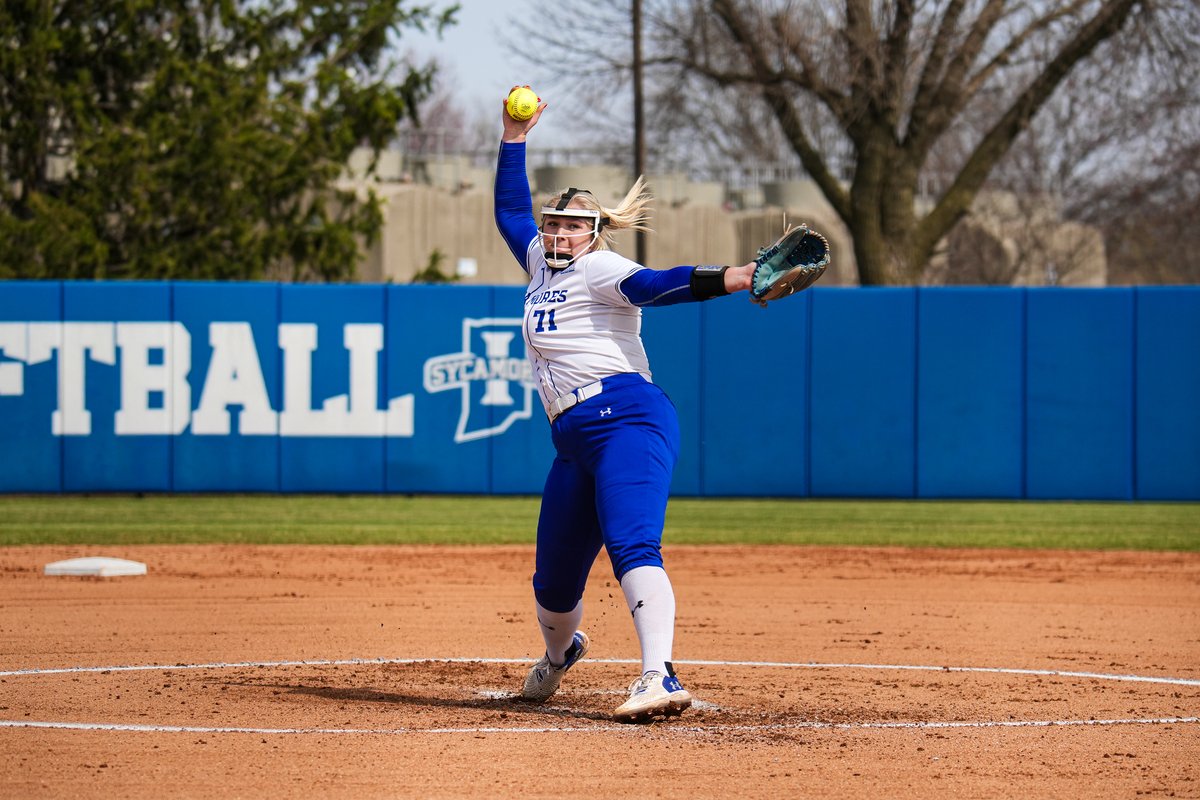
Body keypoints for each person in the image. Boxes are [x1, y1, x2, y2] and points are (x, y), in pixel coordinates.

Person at [493, 89, 759, 723]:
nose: (558, 231)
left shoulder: (603, 269)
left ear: (594, 233)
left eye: (573, 225)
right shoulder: (538, 262)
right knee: (553, 586)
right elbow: (509, 211)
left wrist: (737, 276)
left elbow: (659, 285)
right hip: (572, 440)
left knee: (632, 542)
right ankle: (560, 657)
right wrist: (512, 135)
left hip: (629, 419)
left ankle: (658, 673)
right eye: (553, 222)